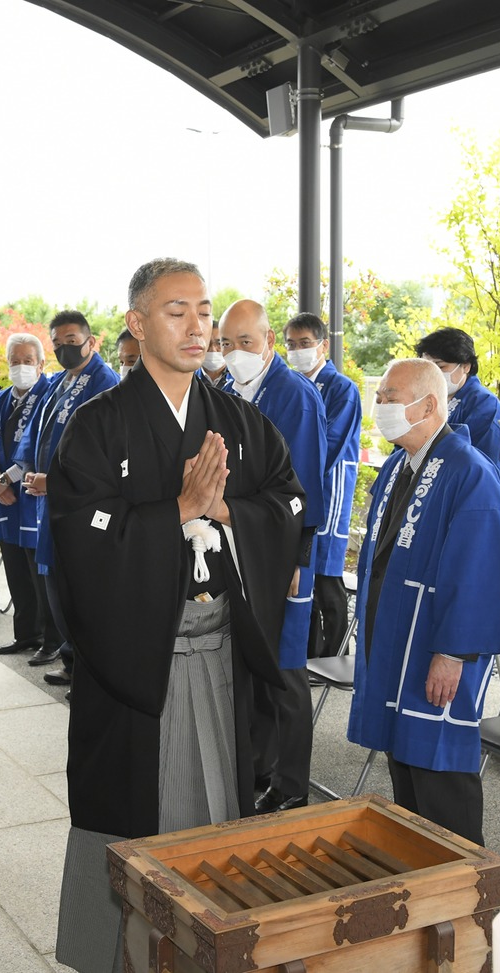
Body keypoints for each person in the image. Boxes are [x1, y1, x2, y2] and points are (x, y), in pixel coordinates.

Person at [48, 258, 305, 973]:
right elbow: (78, 537)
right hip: (138, 663)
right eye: (176, 311)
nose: (199, 326)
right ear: (137, 324)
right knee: (132, 819)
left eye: (204, 310)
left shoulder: (239, 421)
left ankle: (218, 952)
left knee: (225, 812)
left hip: (221, 654)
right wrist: (178, 512)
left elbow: (288, 502)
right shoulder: (97, 428)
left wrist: (226, 508)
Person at [348, 358, 500, 845]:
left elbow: (480, 573)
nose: (380, 408)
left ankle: (467, 892)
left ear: (429, 405)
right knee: (406, 767)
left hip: (437, 648)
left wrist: (453, 654)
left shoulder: (469, 473)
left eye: (390, 398)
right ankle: (421, 881)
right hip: (398, 639)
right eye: (379, 398)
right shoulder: (403, 464)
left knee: (439, 771)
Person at [217, 299, 326, 814]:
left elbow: (305, 488)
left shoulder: (294, 397)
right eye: (226, 344)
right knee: (249, 659)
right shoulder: (221, 391)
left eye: (245, 342)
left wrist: (298, 559)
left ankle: (292, 783)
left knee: (284, 668)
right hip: (234, 544)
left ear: (267, 342)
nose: (235, 353)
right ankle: (257, 767)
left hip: (282, 553)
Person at [13, 310, 119, 680]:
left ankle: (91, 673)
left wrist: (53, 482)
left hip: (82, 508)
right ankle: (73, 662)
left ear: (92, 341)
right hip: (53, 505)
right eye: (57, 343)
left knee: (81, 593)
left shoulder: (105, 383)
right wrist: (21, 471)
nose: (64, 349)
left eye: (72, 342)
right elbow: (36, 435)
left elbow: (100, 454)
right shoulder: (59, 382)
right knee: (58, 587)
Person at [283, 312, 361, 659]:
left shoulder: (341, 388)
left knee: (328, 577)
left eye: (304, 344)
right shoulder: (290, 385)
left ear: (323, 346)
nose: (297, 351)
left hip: (329, 491)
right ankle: (311, 652)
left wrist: (286, 471)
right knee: (305, 577)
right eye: (291, 345)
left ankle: (335, 653)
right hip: (297, 490)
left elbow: (328, 445)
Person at [0, 333, 53, 657]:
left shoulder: (50, 397)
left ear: (41, 364)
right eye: (14, 361)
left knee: (41, 573)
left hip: (36, 496)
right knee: (16, 571)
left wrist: (8, 479)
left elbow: (37, 448)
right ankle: (26, 634)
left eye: (27, 361)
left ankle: (52, 640)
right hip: (5, 498)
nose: (21, 367)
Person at [416, 327, 500, 486]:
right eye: (428, 367)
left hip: (470, 491)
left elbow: (479, 464)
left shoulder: (485, 405)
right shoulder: (426, 400)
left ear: (466, 366)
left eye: (440, 366)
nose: (433, 374)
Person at [201, 322, 231, 390]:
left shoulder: (238, 378)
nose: (213, 350)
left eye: (219, 343)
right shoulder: (189, 378)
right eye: (207, 343)